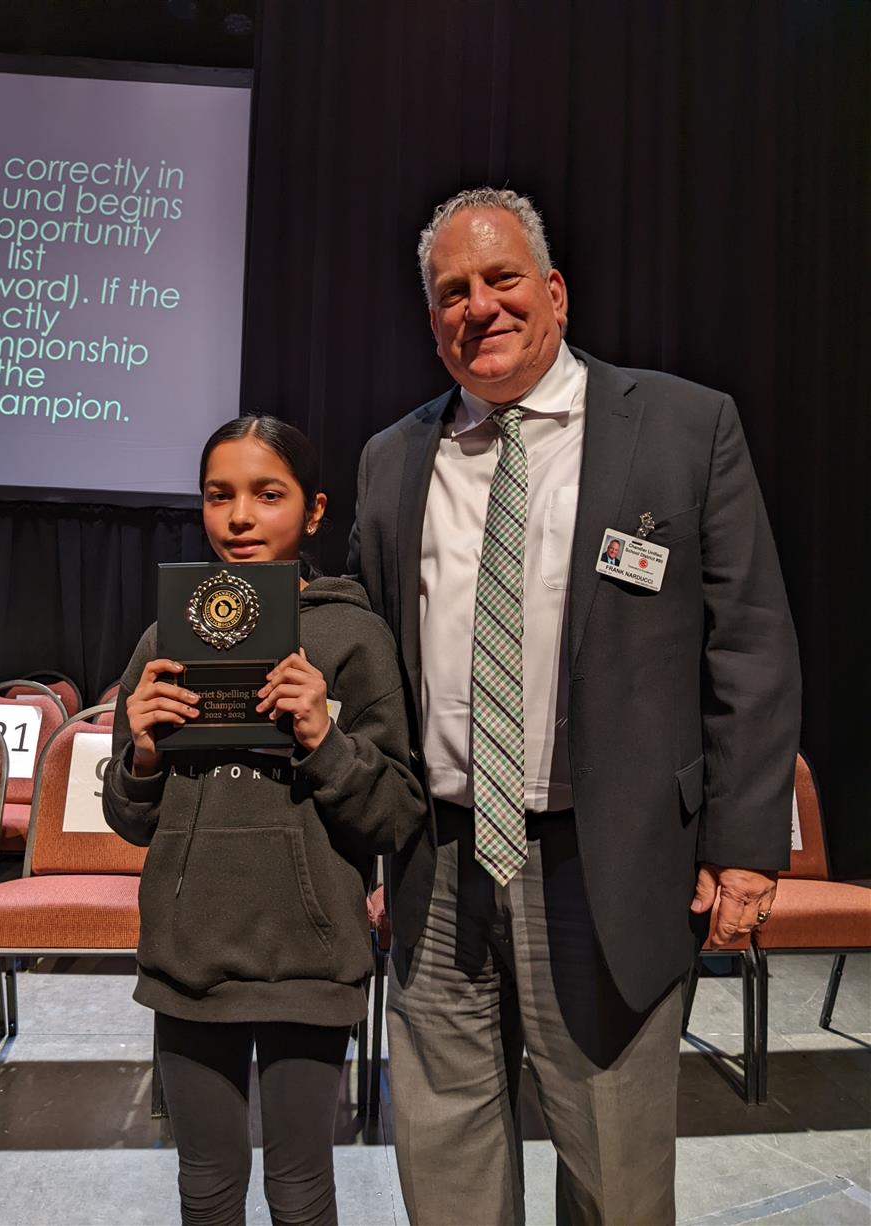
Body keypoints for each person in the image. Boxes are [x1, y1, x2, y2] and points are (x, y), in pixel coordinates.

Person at [347, 188, 801, 1225]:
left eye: (501, 279)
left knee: (615, 1184)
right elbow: (370, 675)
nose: (479, 306)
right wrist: (366, 846)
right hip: (437, 864)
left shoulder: (684, 427)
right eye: (451, 292)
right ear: (431, 324)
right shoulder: (390, 461)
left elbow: (750, 647)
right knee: (446, 1171)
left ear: (553, 290)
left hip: (607, 867)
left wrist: (743, 845)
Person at [103, 414, 426, 1226]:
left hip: (309, 962)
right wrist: (140, 755)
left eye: (266, 494)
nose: (239, 516)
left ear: (314, 511)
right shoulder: (163, 639)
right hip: (189, 958)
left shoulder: (354, 638)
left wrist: (324, 738)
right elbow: (130, 820)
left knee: (301, 1189)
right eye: (219, 496)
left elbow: (394, 812)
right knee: (207, 1189)